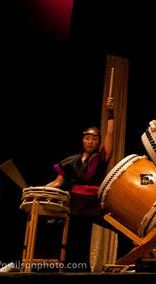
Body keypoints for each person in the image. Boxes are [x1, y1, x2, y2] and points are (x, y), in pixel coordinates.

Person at [45, 96, 115, 271]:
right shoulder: (71, 160)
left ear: (98, 141)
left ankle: (84, 271)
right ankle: (72, 270)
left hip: (93, 203)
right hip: (75, 202)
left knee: (115, 228)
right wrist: (42, 189)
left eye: (94, 138)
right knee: (73, 238)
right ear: (82, 140)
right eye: (87, 138)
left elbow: (110, 133)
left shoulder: (101, 158)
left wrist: (110, 112)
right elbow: (58, 181)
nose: (91, 141)